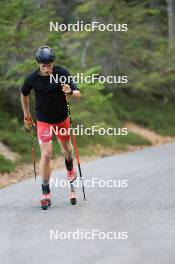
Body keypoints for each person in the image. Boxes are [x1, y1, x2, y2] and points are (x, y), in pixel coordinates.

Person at [20, 46, 80, 209]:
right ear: (39, 64)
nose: (47, 69)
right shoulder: (32, 78)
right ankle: (45, 192)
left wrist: (70, 92)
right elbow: (24, 93)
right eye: (43, 66)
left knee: (67, 150)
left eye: (49, 65)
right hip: (44, 120)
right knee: (46, 154)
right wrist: (26, 114)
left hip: (61, 119)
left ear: (53, 62)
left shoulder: (62, 73)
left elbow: (77, 94)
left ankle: (70, 169)